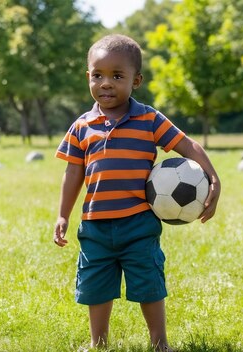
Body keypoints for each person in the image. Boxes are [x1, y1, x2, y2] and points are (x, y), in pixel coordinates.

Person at [53, 34, 221, 351]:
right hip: (95, 226)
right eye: (97, 75)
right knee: (97, 287)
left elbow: (188, 146)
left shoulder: (149, 119)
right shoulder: (82, 126)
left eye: (117, 76)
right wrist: (63, 214)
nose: (106, 83)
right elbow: (73, 172)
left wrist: (214, 178)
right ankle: (98, 343)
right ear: (87, 76)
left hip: (138, 224)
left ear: (136, 80)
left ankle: (160, 343)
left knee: (149, 284)